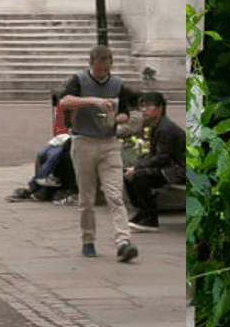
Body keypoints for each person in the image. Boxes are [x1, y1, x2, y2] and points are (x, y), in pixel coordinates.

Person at [57, 44, 138, 262]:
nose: (103, 74)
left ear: (111, 65)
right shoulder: (79, 80)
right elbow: (65, 101)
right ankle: (88, 239)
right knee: (87, 197)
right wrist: (94, 101)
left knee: (114, 194)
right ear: (91, 65)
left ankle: (123, 242)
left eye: (106, 69)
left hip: (109, 142)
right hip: (83, 141)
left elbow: (125, 112)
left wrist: (121, 118)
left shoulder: (118, 84)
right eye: (99, 70)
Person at [125, 89, 188, 229]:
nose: (144, 110)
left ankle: (150, 218)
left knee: (139, 176)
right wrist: (136, 166)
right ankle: (142, 211)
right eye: (143, 106)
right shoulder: (156, 126)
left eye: (148, 106)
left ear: (159, 108)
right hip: (171, 167)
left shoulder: (165, 128)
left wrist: (137, 168)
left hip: (181, 170)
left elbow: (162, 158)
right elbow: (153, 154)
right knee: (128, 174)